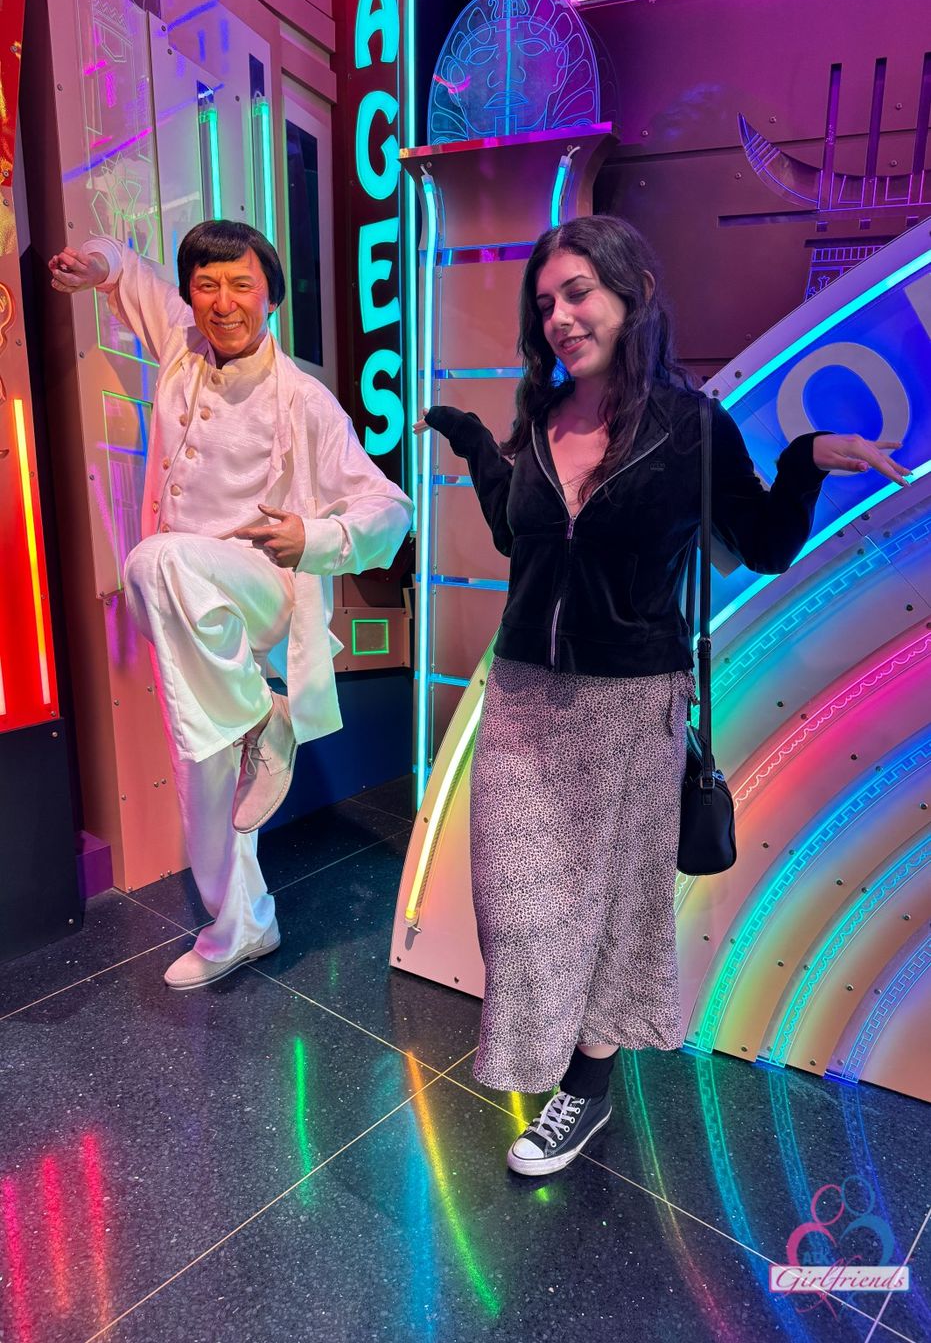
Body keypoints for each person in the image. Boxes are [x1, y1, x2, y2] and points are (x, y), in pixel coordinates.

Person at [417, 214, 910, 1177]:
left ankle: (586, 1087)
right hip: (520, 698)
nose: (560, 317)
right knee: (518, 908)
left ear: (633, 291)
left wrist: (803, 460)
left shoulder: (690, 428)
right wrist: (478, 445)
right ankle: (547, 1050)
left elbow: (762, 544)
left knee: (617, 907)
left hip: (630, 702)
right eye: (545, 302)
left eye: (578, 293)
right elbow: (518, 535)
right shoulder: (541, 415)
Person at [50, 221, 412, 990]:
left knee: (154, 557)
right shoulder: (181, 346)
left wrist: (316, 535)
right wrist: (96, 263)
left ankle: (258, 717)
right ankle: (240, 922)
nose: (223, 302)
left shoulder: (302, 400)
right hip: (186, 611)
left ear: (270, 296)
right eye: (207, 286)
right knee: (203, 768)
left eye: (241, 285)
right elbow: (129, 271)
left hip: (259, 590)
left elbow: (390, 509)